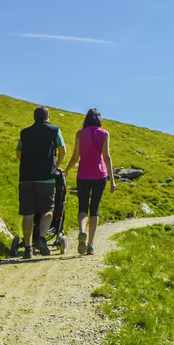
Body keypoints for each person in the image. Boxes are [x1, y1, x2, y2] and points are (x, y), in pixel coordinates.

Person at [13, 106, 66, 259]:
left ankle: (28, 248)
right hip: (46, 178)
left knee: (28, 213)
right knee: (48, 210)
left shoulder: (25, 133)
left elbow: (18, 153)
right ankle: (41, 239)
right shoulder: (55, 130)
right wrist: (56, 166)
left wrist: (28, 163)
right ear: (47, 117)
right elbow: (63, 151)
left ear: (34, 118)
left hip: (26, 177)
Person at [63, 108, 116, 255]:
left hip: (83, 175)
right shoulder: (104, 134)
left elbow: (75, 157)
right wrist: (112, 180)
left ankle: (82, 231)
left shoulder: (80, 134)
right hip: (100, 175)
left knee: (82, 207)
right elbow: (107, 157)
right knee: (95, 209)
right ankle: (91, 244)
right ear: (99, 120)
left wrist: (66, 171)